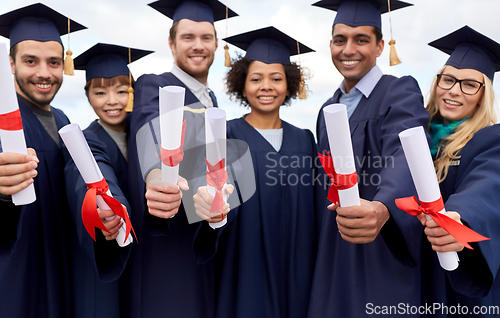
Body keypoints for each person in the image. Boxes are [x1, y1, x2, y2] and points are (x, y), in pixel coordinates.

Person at [308, 0, 431, 317]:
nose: (348, 49)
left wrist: (383, 206)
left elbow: (406, 152)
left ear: (380, 46)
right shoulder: (327, 108)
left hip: (381, 243)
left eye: (361, 39)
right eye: (340, 40)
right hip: (336, 244)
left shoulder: (399, 92)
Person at [123, 1, 238, 317]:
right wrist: (157, 174)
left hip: (203, 232)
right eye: (188, 37)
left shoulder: (211, 98)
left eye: (206, 37)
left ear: (217, 43)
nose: (198, 46)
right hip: (166, 244)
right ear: (172, 43)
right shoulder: (155, 84)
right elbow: (150, 126)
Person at [192, 26, 317, 318]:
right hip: (245, 265)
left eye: (276, 78)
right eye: (256, 78)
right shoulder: (224, 133)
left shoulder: (305, 139)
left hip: (300, 267)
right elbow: (213, 192)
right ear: (242, 84)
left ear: (289, 85)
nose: (266, 86)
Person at [0, 3, 85, 317]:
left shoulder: (64, 120)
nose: (44, 73)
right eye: (30, 61)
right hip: (17, 272)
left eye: (53, 62)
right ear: (11, 63)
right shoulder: (2, 119)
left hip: (61, 262)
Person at [63, 43, 153, 318]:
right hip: (105, 253)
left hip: (147, 259)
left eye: (121, 90)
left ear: (133, 92)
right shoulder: (86, 141)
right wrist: (107, 206)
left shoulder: (147, 137)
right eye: (100, 92)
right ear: (88, 96)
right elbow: (90, 175)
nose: (111, 101)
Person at [417, 25, 500, 317]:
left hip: (462, 278)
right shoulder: (417, 137)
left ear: (483, 94)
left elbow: (489, 184)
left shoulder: (491, 139)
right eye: (448, 80)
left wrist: (460, 216)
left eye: (469, 84)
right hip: (415, 275)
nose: (454, 91)